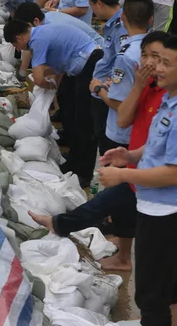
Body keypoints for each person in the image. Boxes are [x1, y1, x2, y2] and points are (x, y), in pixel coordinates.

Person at [28, 31, 168, 274]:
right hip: (140, 164)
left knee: (111, 204)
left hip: (156, 186)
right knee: (121, 207)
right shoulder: (150, 87)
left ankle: (59, 224)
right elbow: (124, 119)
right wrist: (132, 156)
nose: (148, 63)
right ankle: (123, 256)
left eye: (157, 58)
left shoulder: (170, 98)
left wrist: (127, 173)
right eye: (144, 55)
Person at [99, 35, 177, 326]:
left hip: (165, 212)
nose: (155, 67)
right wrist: (129, 155)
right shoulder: (168, 100)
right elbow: (156, 147)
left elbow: (173, 172)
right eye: (152, 58)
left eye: (165, 63)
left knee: (151, 295)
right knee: (165, 290)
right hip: (153, 206)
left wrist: (123, 175)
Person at [3, 18, 103, 186]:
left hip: (90, 65)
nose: (18, 49)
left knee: (84, 123)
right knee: (72, 113)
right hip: (80, 66)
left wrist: (47, 85)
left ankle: (84, 173)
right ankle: (74, 160)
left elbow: (39, 77)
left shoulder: (38, 40)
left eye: (15, 45)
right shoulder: (42, 33)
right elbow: (56, 66)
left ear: (19, 38)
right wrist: (51, 84)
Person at [90, 0, 154, 150]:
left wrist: (99, 89)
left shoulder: (126, 55)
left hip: (122, 135)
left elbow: (120, 104)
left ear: (123, 17)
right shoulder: (154, 50)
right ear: (151, 19)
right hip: (145, 131)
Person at [87, 0, 129, 155]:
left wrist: (106, 85)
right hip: (101, 87)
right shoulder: (113, 23)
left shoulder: (121, 27)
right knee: (100, 134)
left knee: (105, 138)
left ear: (99, 3)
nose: (93, 11)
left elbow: (123, 60)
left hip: (107, 90)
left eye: (92, 6)